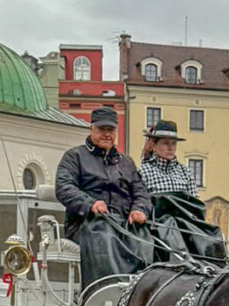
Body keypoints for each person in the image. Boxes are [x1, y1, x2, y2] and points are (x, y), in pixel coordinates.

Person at [55, 107, 154, 287]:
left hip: (123, 223)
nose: (106, 134)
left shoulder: (126, 162)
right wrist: (90, 204)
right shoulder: (74, 156)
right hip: (87, 224)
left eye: (111, 130)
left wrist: (139, 209)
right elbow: (64, 187)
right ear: (91, 129)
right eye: (102, 130)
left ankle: (142, 290)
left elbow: (141, 192)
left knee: (146, 237)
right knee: (104, 236)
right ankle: (105, 291)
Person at [139, 120, 198, 197]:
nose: (170, 148)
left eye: (173, 143)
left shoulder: (186, 173)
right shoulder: (144, 172)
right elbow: (139, 203)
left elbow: (195, 204)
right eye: (165, 143)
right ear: (154, 146)